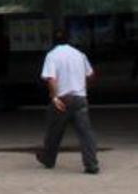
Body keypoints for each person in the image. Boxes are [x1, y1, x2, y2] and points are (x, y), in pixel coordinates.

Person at [35, 29, 100, 175]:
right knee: (85, 133)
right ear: (69, 39)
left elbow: (51, 78)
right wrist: (83, 90)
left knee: (54, 131)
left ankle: (48, 158)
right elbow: (90, 74)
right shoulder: (79, 55)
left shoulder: (52, 55)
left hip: (63, 99)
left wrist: (54, 98)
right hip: (79, 98)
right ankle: (91, 164)